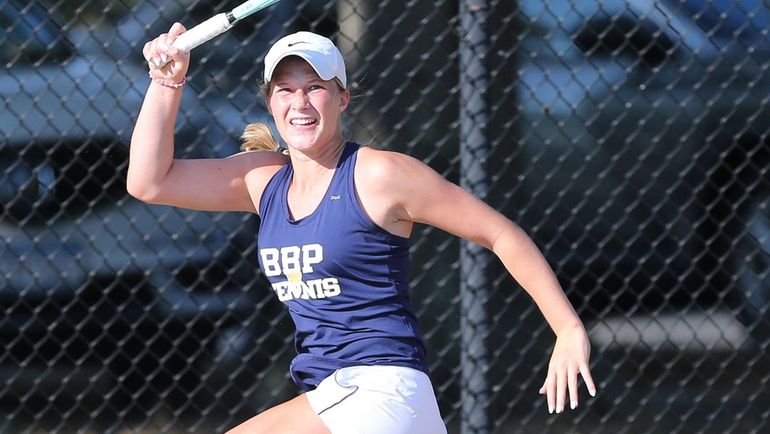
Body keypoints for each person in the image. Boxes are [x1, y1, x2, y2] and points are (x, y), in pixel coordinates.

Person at [130, 23, 597, 434]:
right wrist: (166, 82)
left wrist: (568, 329)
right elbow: (149, 182)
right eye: (286, 90)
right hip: (342, 396)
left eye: (314, 87)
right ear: (270, 101)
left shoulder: (379, 175)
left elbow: (500, 233)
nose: (300, 102)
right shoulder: (263, 180)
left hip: (382, 390)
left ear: (342, 97)